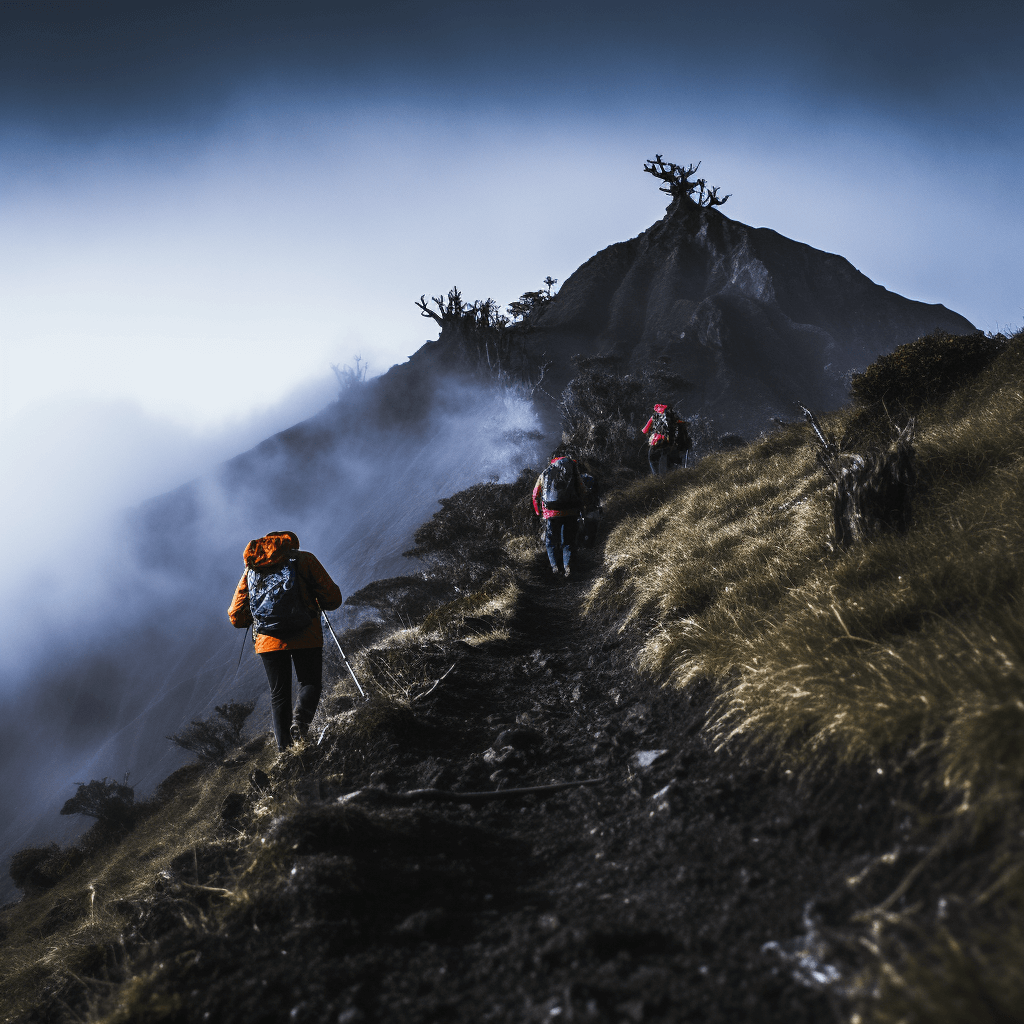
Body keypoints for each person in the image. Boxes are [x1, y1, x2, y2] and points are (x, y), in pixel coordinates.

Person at [228, 531, 342, 750]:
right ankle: (300, 723)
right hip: (306, 633)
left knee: (278, 694)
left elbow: (236, 615)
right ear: (290, 544)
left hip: (268, 640)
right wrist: (318, 601)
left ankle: (285, 751)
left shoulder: (252, 570)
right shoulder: (304, 559)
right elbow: (333, 598)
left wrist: (254, 619)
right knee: (310, 682)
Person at [532, 451, 589, 577]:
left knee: (550, 541)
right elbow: (583, 490)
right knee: (567, 541)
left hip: (551, 514)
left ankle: (554, 567)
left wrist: (538, 512)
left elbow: (535, 495)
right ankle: (567, 566)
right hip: (570, 512)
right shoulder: (573, 472)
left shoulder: (545, 473)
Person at [642, 402, 691, 475]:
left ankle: (656, 478)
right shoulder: (673, 417)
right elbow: (683, 424)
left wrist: (652, 430)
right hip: (668, 444)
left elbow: (644, 430)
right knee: (668, 467)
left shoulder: (654, 417)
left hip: (655, 444)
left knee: (652, 461)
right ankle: (668, 479)